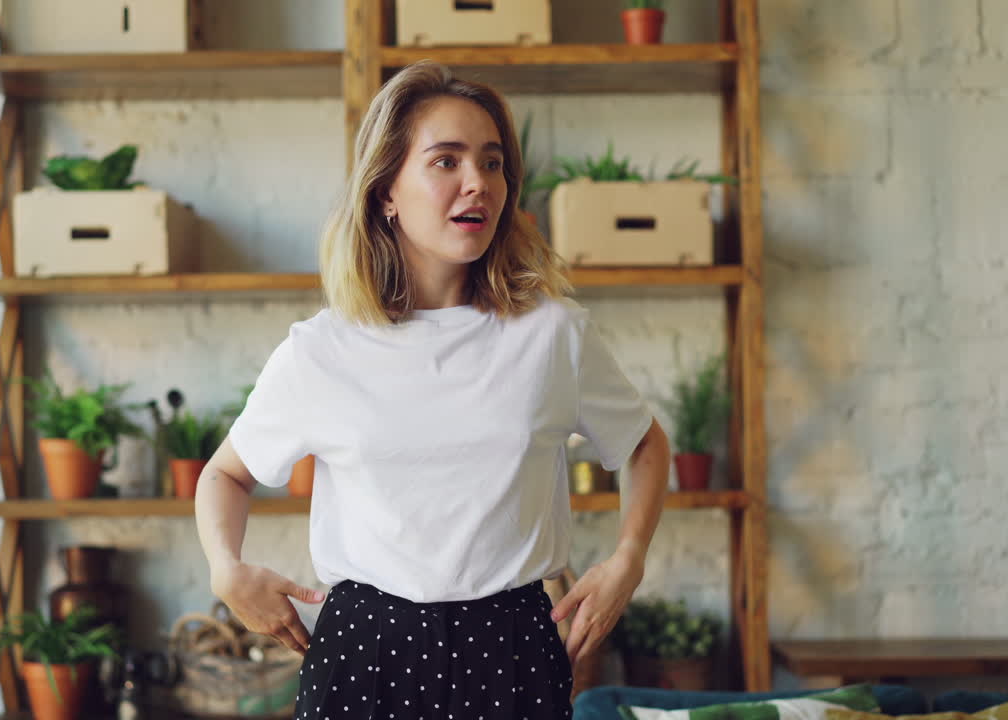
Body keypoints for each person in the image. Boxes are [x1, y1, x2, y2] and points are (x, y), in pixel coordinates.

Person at [195, 60, 670, 719]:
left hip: (513, 650)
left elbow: (644, 444)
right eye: (446, 161)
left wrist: (629, 558)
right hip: (363, 655)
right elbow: (225, 474)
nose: (478, 183)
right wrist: (227, 568)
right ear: (386, 189)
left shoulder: (554, 335)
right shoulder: (321, 350)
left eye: (493, 162)